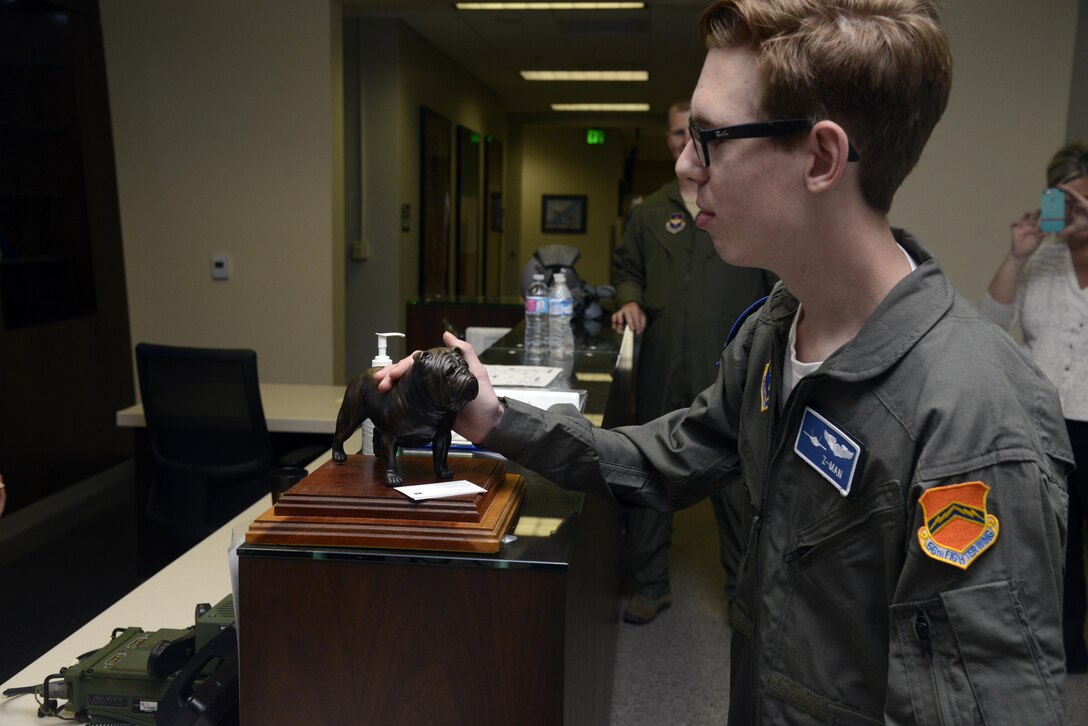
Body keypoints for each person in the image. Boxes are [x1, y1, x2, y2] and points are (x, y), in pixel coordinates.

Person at [379, 0, 1072, 721]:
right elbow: (661, 461)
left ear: (821, 157)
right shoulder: (774, 336)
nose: (684, 164)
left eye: (711, 138)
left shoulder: (977, 417)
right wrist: (493, 419)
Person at [611, 98, 775, 624]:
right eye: (677, 132)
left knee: (735, 484)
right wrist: (629, 296)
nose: (685, 140)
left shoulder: (743, 208)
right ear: (668, 139)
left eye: (695, 132)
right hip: (663, 361)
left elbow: (777, 285)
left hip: (727, 365)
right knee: (654, 471)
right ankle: (650, 583)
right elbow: (626, 267)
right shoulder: (650, 210)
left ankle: (741, 595)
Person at [979, 142, 1088, 673]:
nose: (1073, 212)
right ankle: (1061, 652)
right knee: (1052, 546)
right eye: (1065, 200)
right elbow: (990, 325)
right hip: (1044, 424)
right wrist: (1018, 252)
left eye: (1083, 201)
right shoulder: (1040, 254)